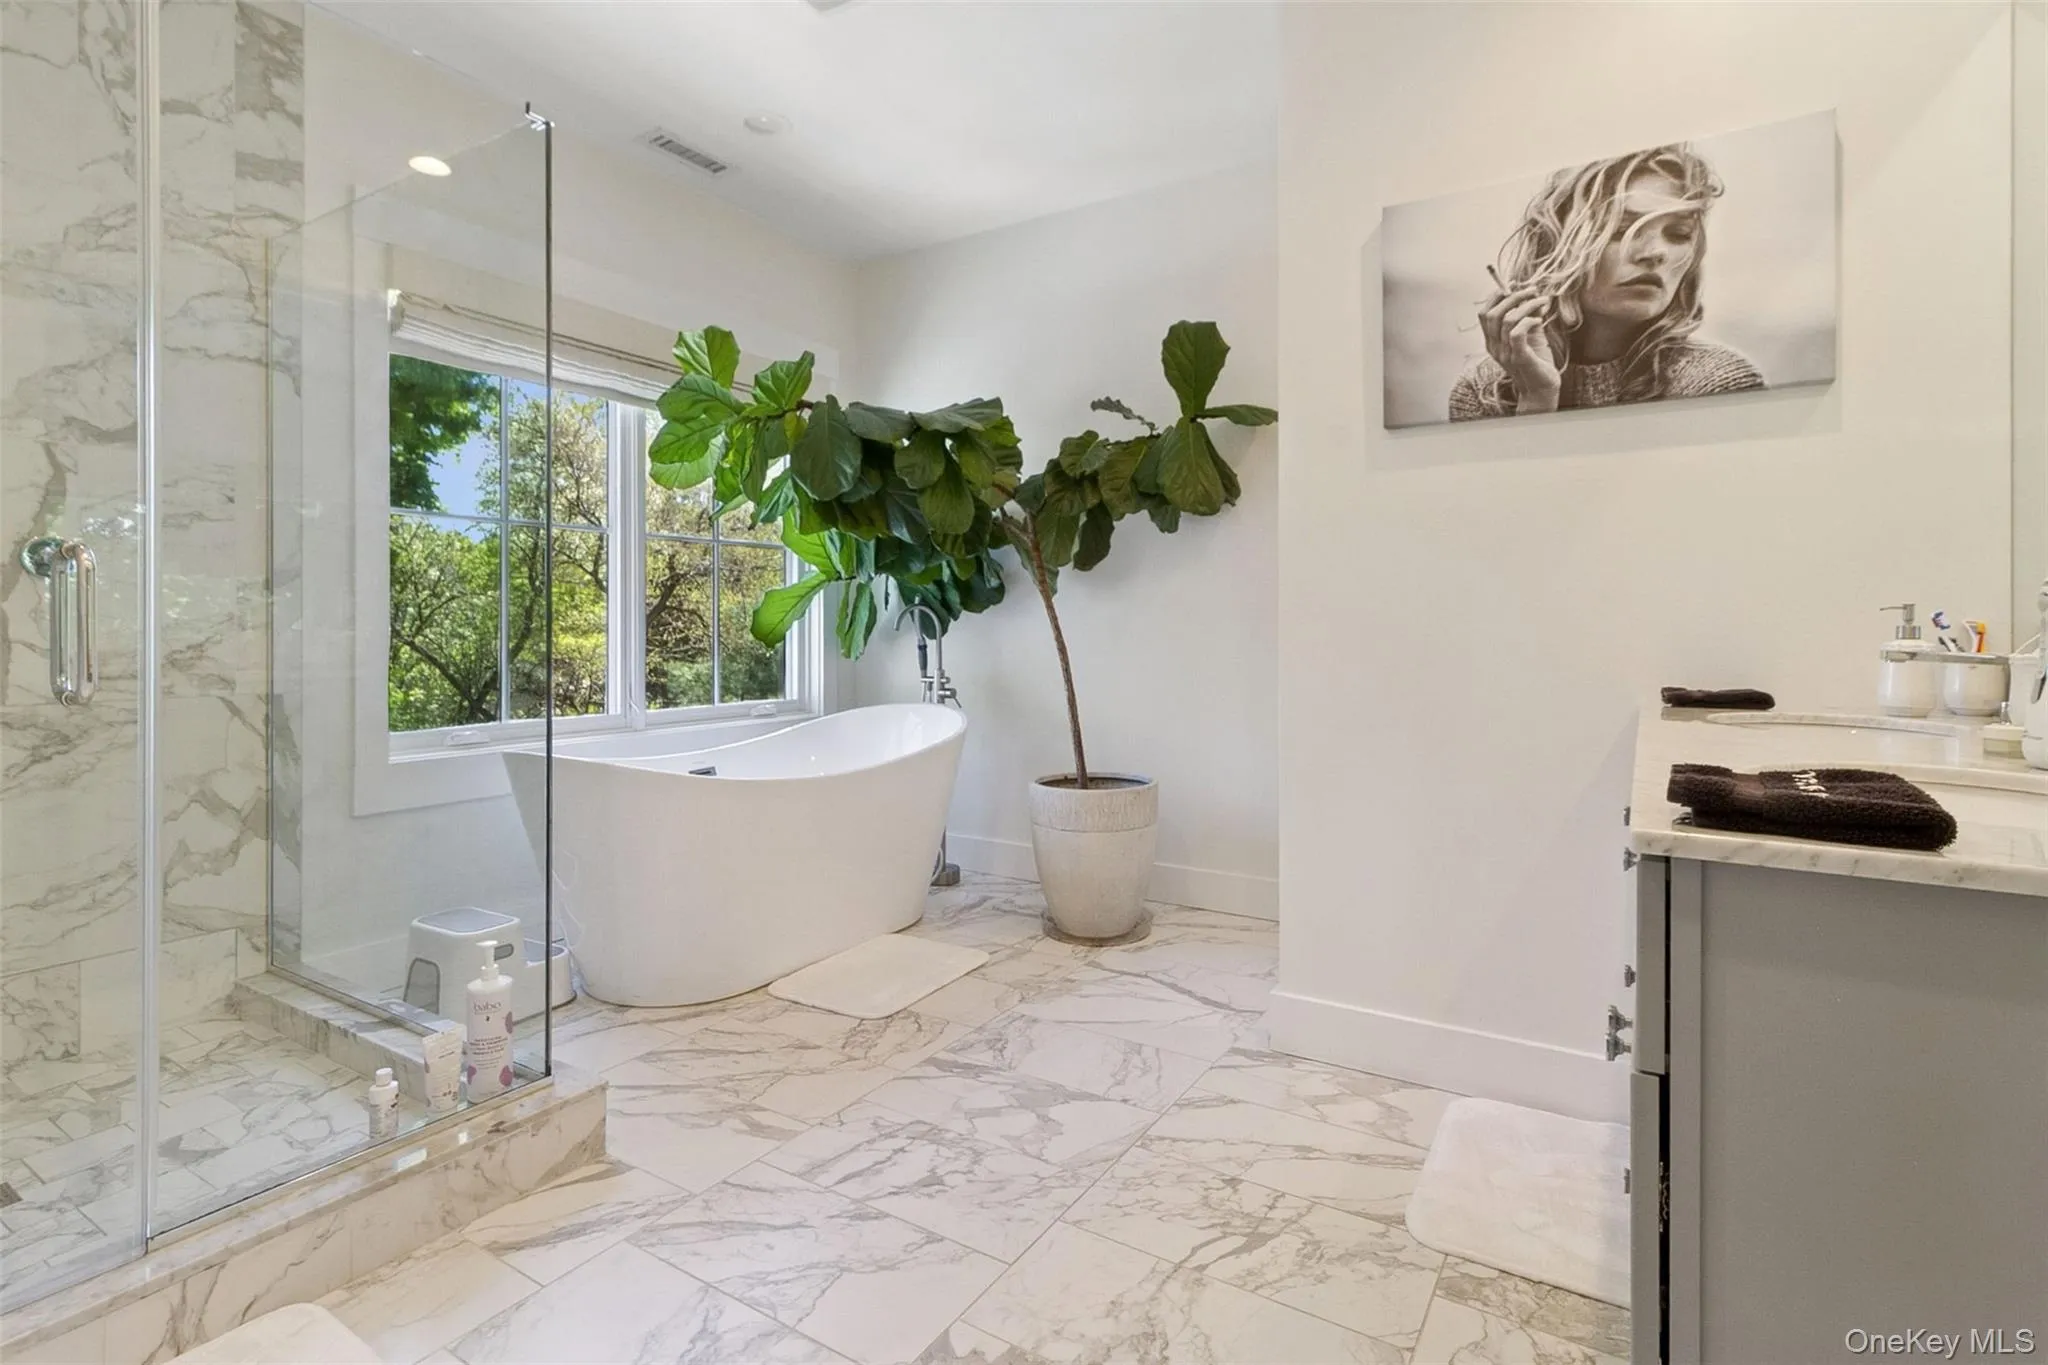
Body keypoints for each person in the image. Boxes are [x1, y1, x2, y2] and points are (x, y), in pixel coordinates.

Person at [1450, 145, 1764, 421]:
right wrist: (1536, 400)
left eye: (1678, 234)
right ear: (1555, 247)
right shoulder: (1481, 391)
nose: (1656, 253)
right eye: (1620, 230)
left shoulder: (1716, 381)